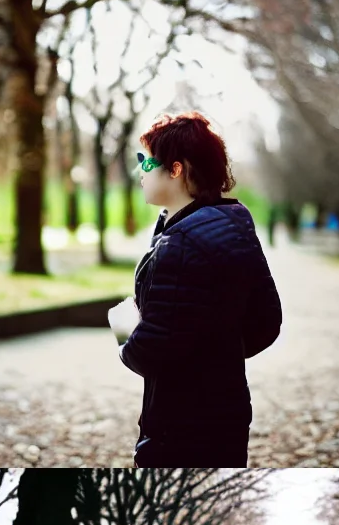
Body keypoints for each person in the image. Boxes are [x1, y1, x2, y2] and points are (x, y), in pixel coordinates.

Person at [109, 112, 281, 467]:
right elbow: (267, 322)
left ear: (175, 170)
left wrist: (124, 326)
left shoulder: (183, 241)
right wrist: (215, 349)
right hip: (228, 410)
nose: (140, 170)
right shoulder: (233, 225)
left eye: (146, 160)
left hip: (180, 422)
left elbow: (148, 354)